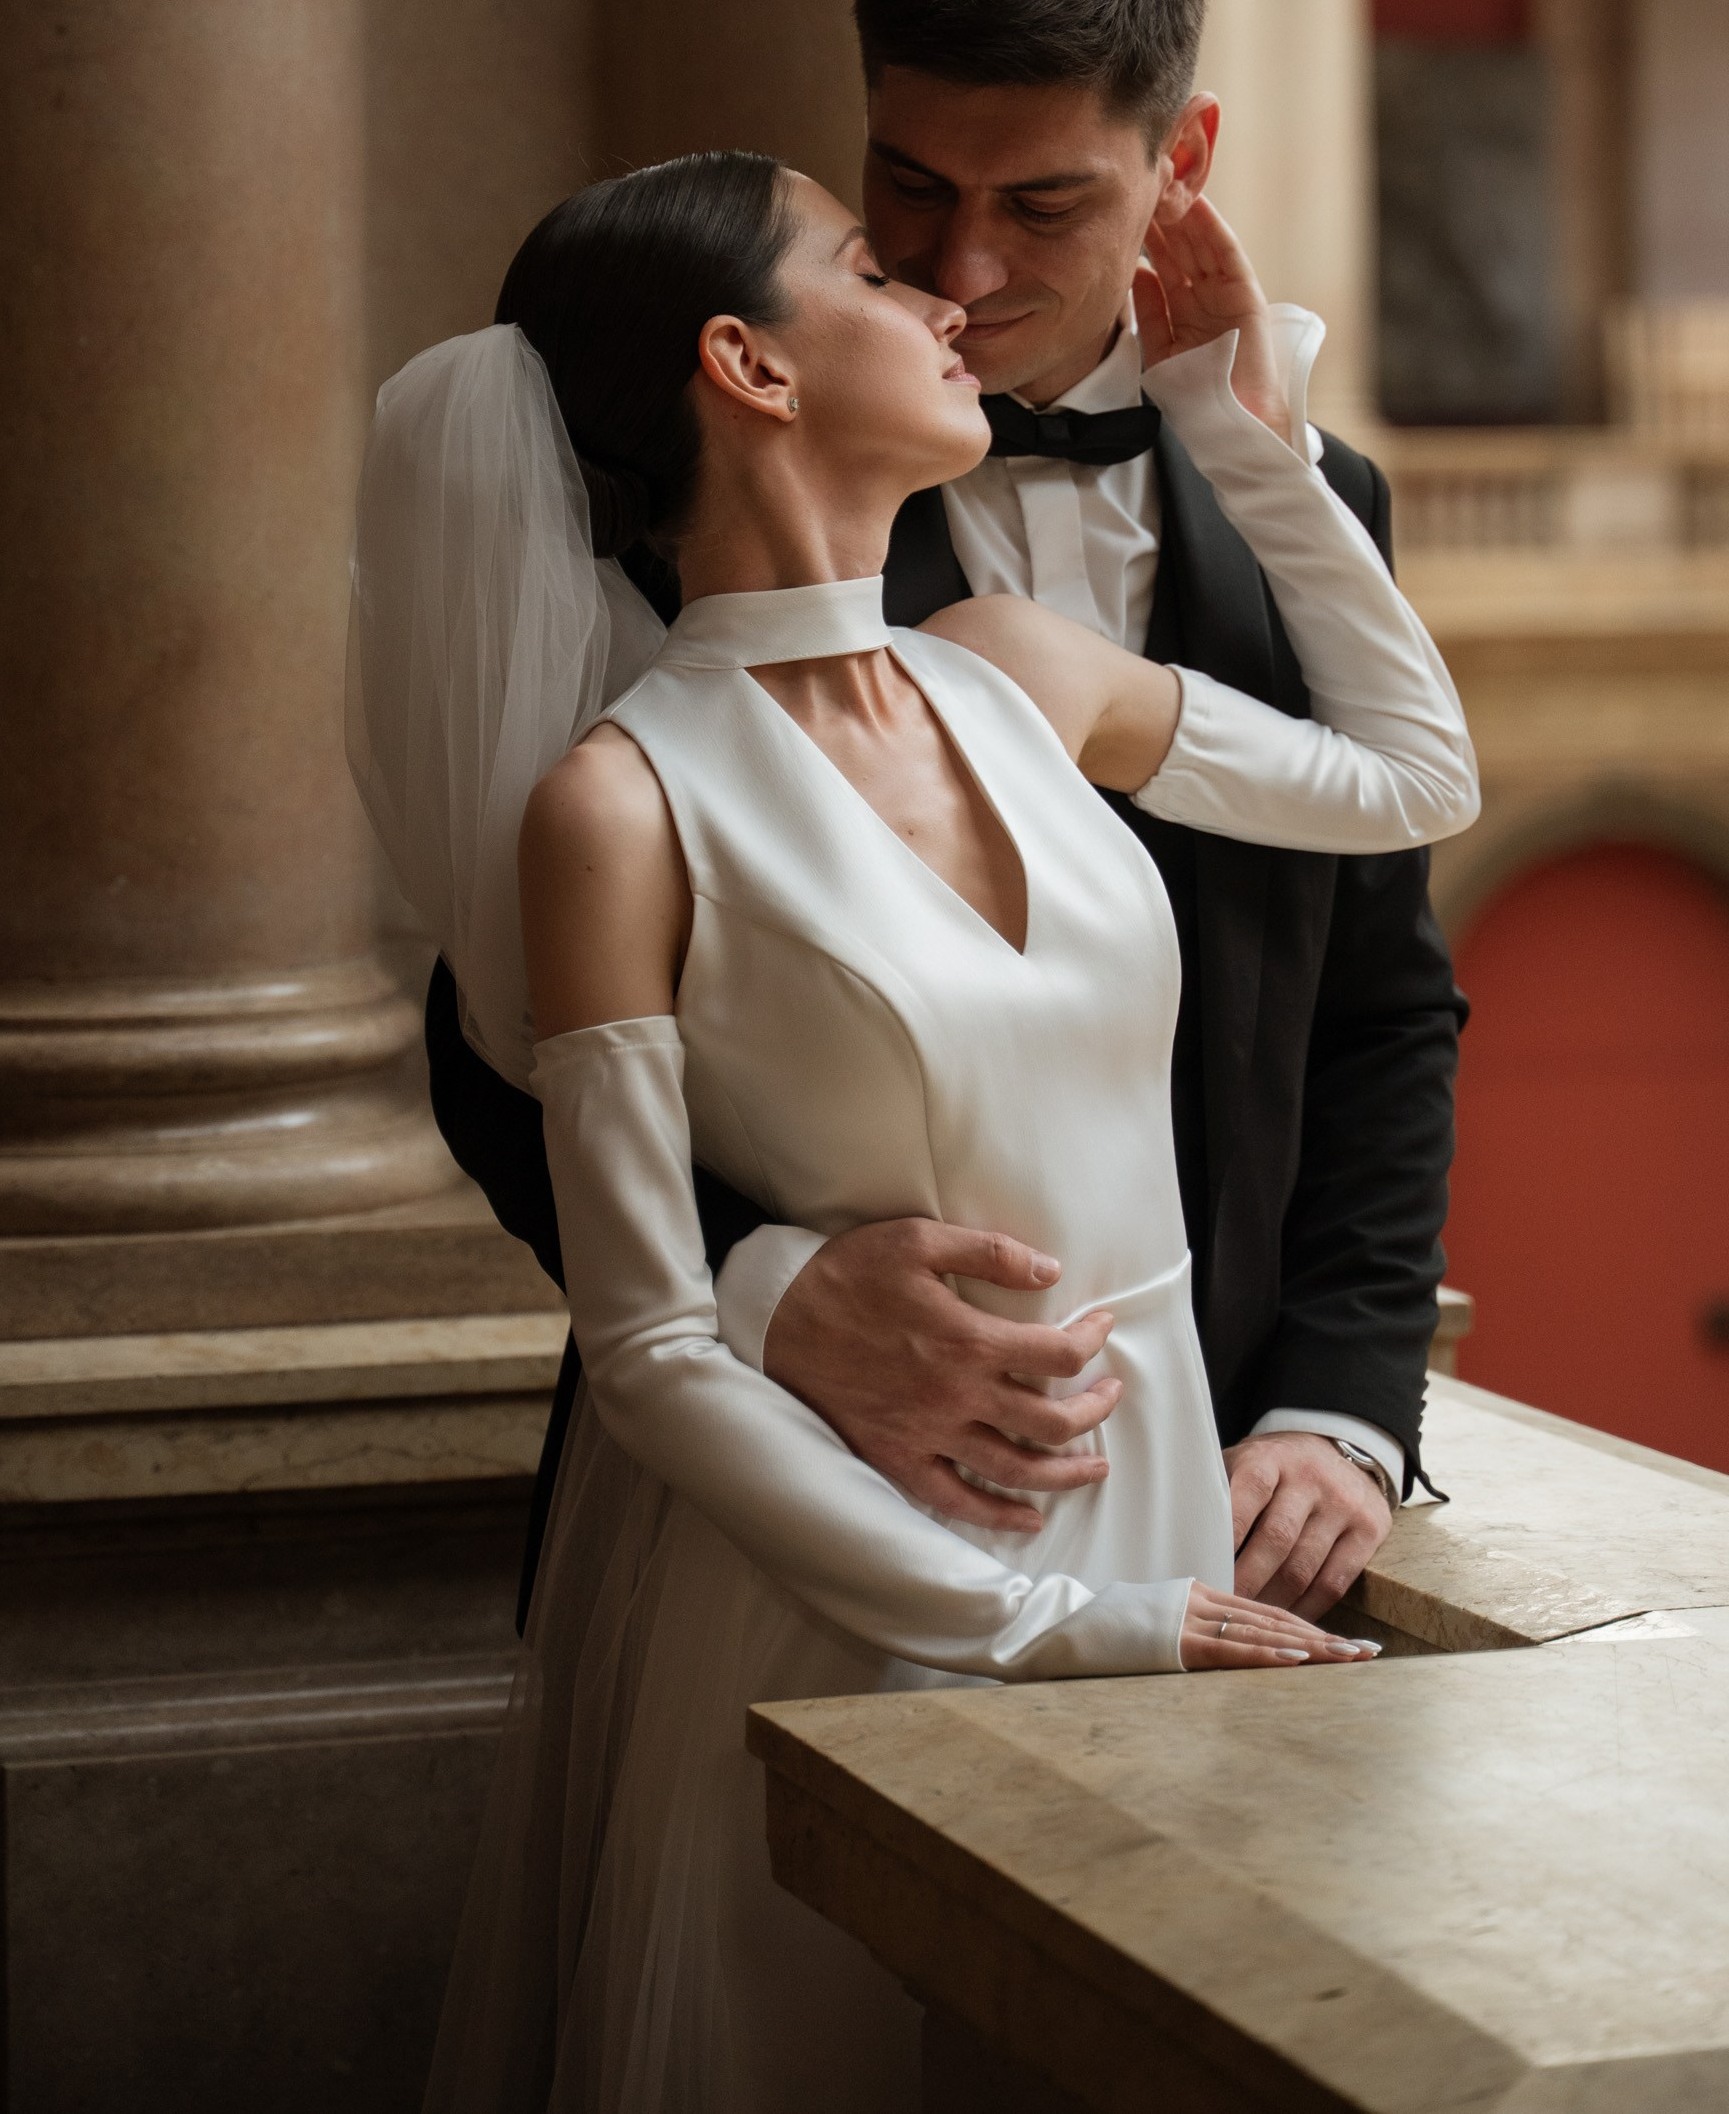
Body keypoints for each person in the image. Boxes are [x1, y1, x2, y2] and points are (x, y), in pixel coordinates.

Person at [349, 144, 1477, 2110]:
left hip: (1158, 1504)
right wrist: (1048, 1619)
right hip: (862, 1569)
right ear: (751, 365)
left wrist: (1239, 435)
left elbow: (1408, 778)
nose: (950, 296)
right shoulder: (616, 809)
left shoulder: (1012, 675)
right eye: (875, 261)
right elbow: (647, 1349)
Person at [428, 0, 1469, 1637]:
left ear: (1180, 167)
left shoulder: (1314, 505)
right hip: (811, 1469)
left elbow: (1381, 1000)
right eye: (907, 194)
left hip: (1196, 1471)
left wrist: (1344, 1408)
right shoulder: (653, 517)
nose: (963, 273)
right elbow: (493, 1032)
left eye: (1046, 205)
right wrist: (774, 1284)